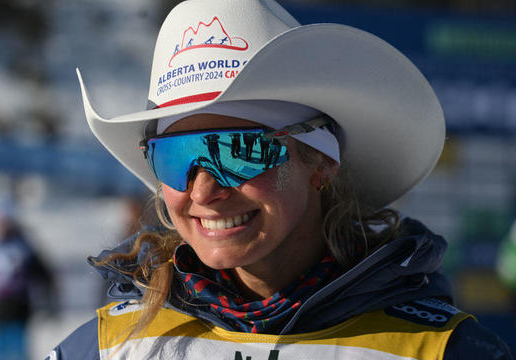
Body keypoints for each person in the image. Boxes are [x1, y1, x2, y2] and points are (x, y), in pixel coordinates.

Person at [48, 0, 513, 359]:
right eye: (175, 156)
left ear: (320, 163)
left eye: (239, 150)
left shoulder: (442, 350)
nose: (204, 191)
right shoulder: (110, 346)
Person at [0, 204, 56, 360]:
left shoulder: (23, 248)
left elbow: (44, 274)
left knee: (18, 354)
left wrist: (49, 302)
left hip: (17, 312)